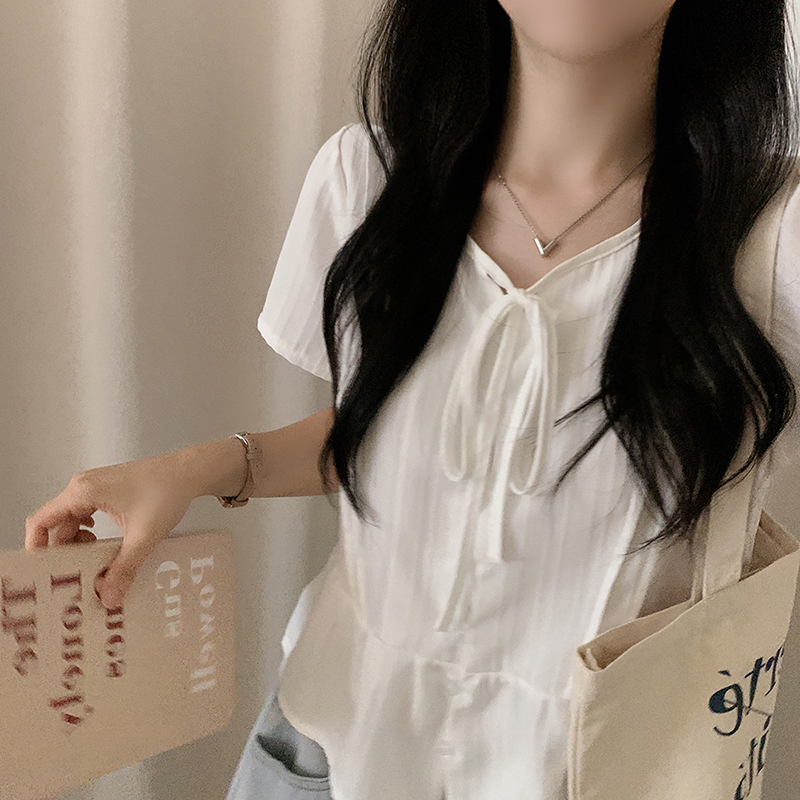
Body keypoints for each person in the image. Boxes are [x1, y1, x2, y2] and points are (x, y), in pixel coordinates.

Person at [25, 1, 800, 798]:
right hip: (326, 750)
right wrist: (204, 468)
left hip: (592, 772)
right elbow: (388, 441)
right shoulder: (367, 180)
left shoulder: (774, 236)